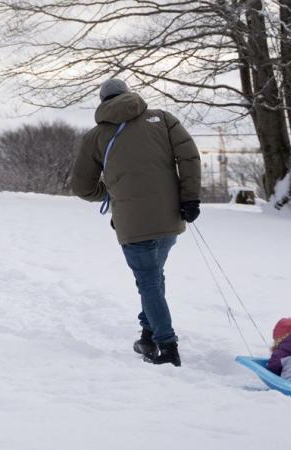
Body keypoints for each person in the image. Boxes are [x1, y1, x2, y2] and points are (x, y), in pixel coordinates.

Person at [71, 78, 201, 367]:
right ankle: (148, 332)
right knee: (154, 276)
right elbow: (188, 156)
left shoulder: (96, 136)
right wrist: (190, 197)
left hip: (132, 224)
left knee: (149, 282)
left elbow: (81, 186)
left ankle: (166, 347)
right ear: (129, 95)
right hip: (170, 218)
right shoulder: (163, 119)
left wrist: (110, 194)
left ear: (103, 101)